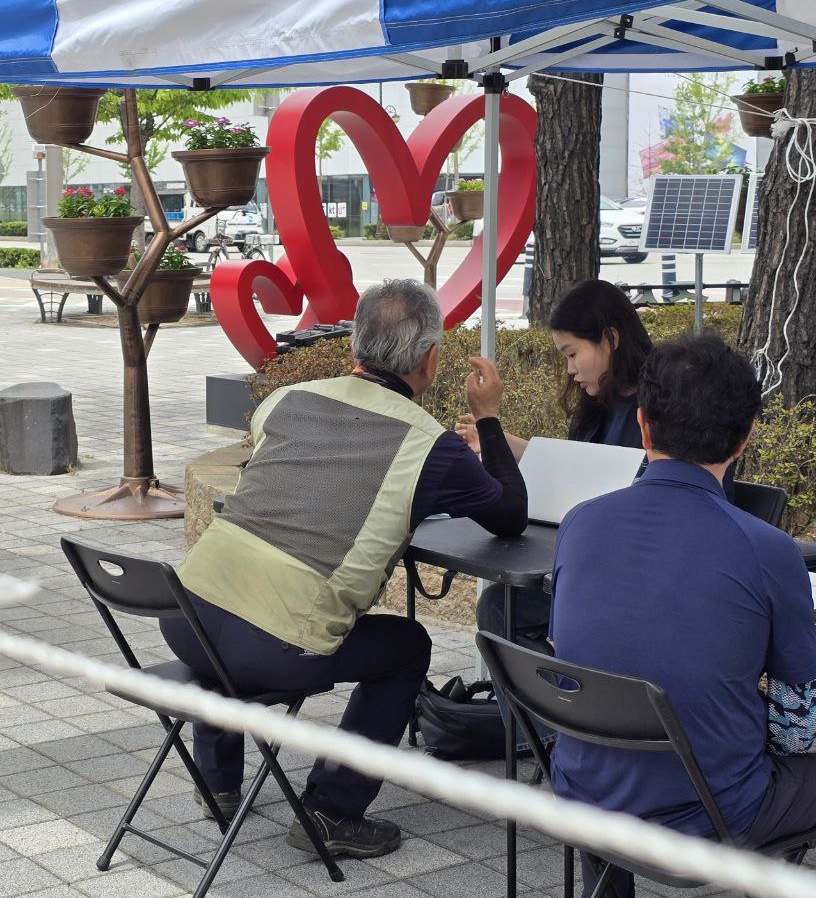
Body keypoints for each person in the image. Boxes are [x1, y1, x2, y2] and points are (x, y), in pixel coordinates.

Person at [161, 279, 528, 859]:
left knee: (232, 630)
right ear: (431, 357)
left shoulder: (283, 400)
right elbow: (510, 515)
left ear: (355, 345)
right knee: (406, 645)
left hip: (185, 614)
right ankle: (332, 809)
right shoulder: (429, 446)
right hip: (271, 646)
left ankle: (218, 784)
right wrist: (487, 419)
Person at [549, 335, 816, 898]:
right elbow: (799, 729)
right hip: (707, 820)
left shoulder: (580, 524)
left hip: (581, 795)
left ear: (642, 425)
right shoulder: (768, 550)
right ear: (745, 438)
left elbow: (591, 656)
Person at [463, 279, 653, 651]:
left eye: (572, 354)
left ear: (610, 338)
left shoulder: (658, 409)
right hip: (593, 561)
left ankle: (542, 706)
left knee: (501, 609)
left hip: (631, 573)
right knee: (501, 604)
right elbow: (577, 471)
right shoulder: (597, 410)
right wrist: (495, 439)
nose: (569, 370)